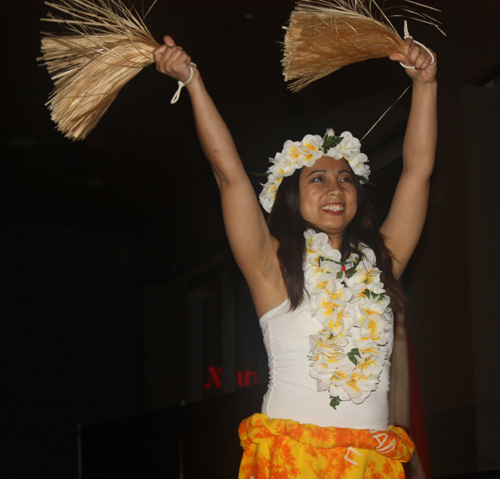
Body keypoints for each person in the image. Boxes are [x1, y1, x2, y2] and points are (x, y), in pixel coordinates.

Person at [154, 32, 437, 479]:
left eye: (345, 179)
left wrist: (425, 86)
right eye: (318, 179)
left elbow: (418, 172)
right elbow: (228, 176)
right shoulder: (270, 265)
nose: (335, 189)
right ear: (292, 195)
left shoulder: (381, 264)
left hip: (373, 464)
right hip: (293, 460)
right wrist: (192, 82)